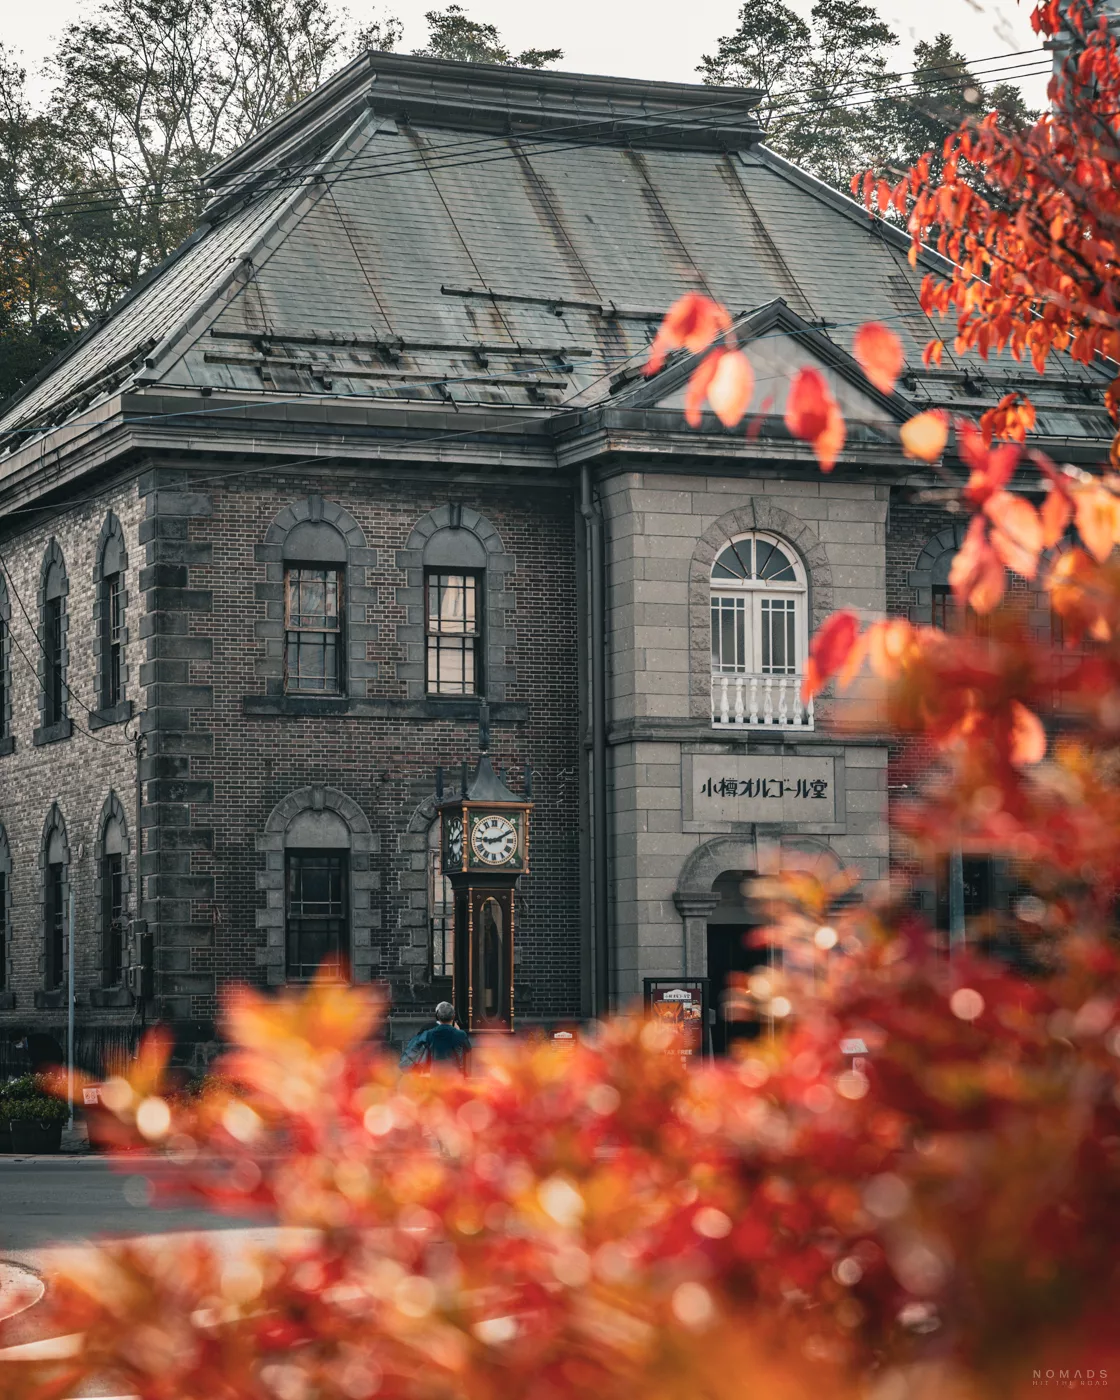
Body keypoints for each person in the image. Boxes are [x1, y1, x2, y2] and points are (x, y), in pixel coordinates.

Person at [399, 1002, 471, 1074]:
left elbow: (417, 1047)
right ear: (453, 1016)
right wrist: (458, 1030)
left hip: (435, 1073)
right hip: (454, 1073)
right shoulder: (460, 1034)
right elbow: (468, 1048)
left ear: (437, 1016)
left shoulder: (429, 1033)